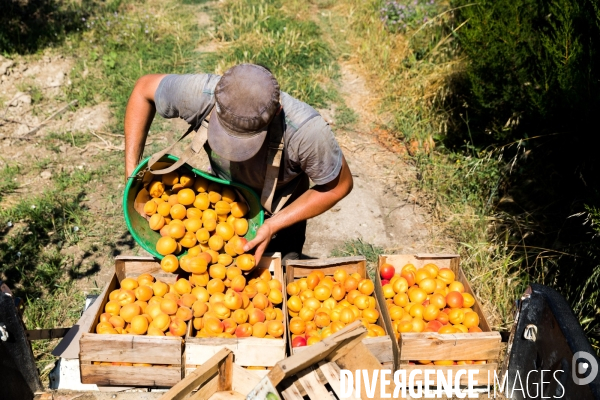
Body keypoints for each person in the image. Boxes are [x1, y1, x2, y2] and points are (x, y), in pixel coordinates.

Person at [124, 63, 353, 263]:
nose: (233, 152)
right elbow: (143, 90)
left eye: (244, 143)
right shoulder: (201, 93)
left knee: (279, 274)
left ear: (276, 114)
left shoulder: (305, 132)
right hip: (222, 201)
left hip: (283, 207)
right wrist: (131, 173)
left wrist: (274, 225)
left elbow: (339, 185)